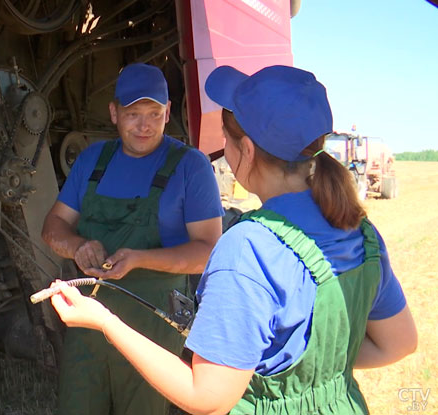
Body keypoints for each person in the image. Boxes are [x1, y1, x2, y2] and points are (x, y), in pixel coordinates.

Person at [48, 65, 418, 415]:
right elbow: (398, 343)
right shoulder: (362, 231)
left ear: (247, 151)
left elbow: (206, 397)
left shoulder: (250, 246)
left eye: (226, 138)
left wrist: (104, 321)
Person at [41, 63, 224, 415]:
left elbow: (208, 252)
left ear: (168, 112)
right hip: (86, 317)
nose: (145, 125)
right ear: (113, 112)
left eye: (155, 113)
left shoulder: (190, 166)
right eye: (133, 113)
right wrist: (77, 246)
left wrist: (139, 258)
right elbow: (53, 227)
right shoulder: (94, 160)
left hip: (151, 322)